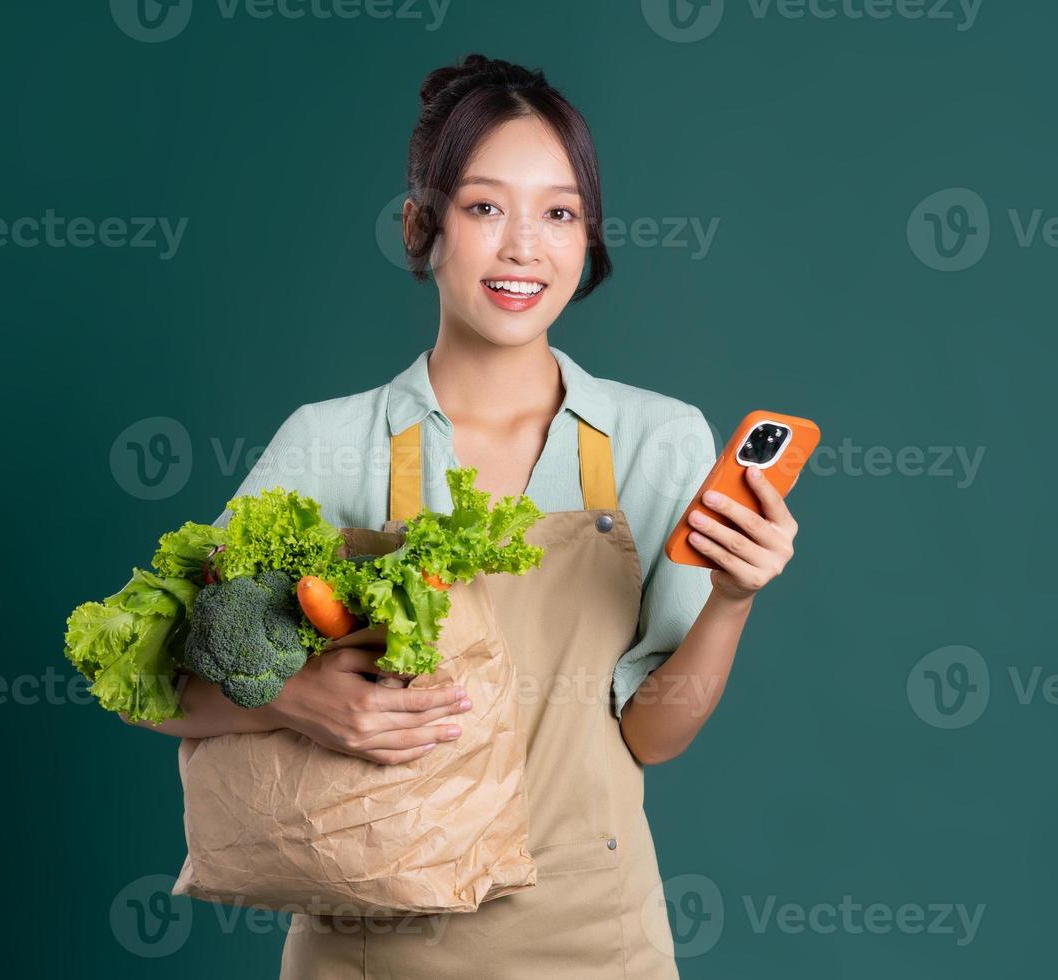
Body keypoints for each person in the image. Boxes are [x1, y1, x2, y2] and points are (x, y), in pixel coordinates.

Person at [129, 53, 802, 979]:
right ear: (422, 225)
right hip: (372, 953)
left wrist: (732, 600)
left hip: (599, 944)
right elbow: (151, 686)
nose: (524, 246)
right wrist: (300, 700)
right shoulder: (332, 442)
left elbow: (652, 736)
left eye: (559, 213)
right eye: (486, 207)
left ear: (588, 236)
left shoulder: (659, 439)